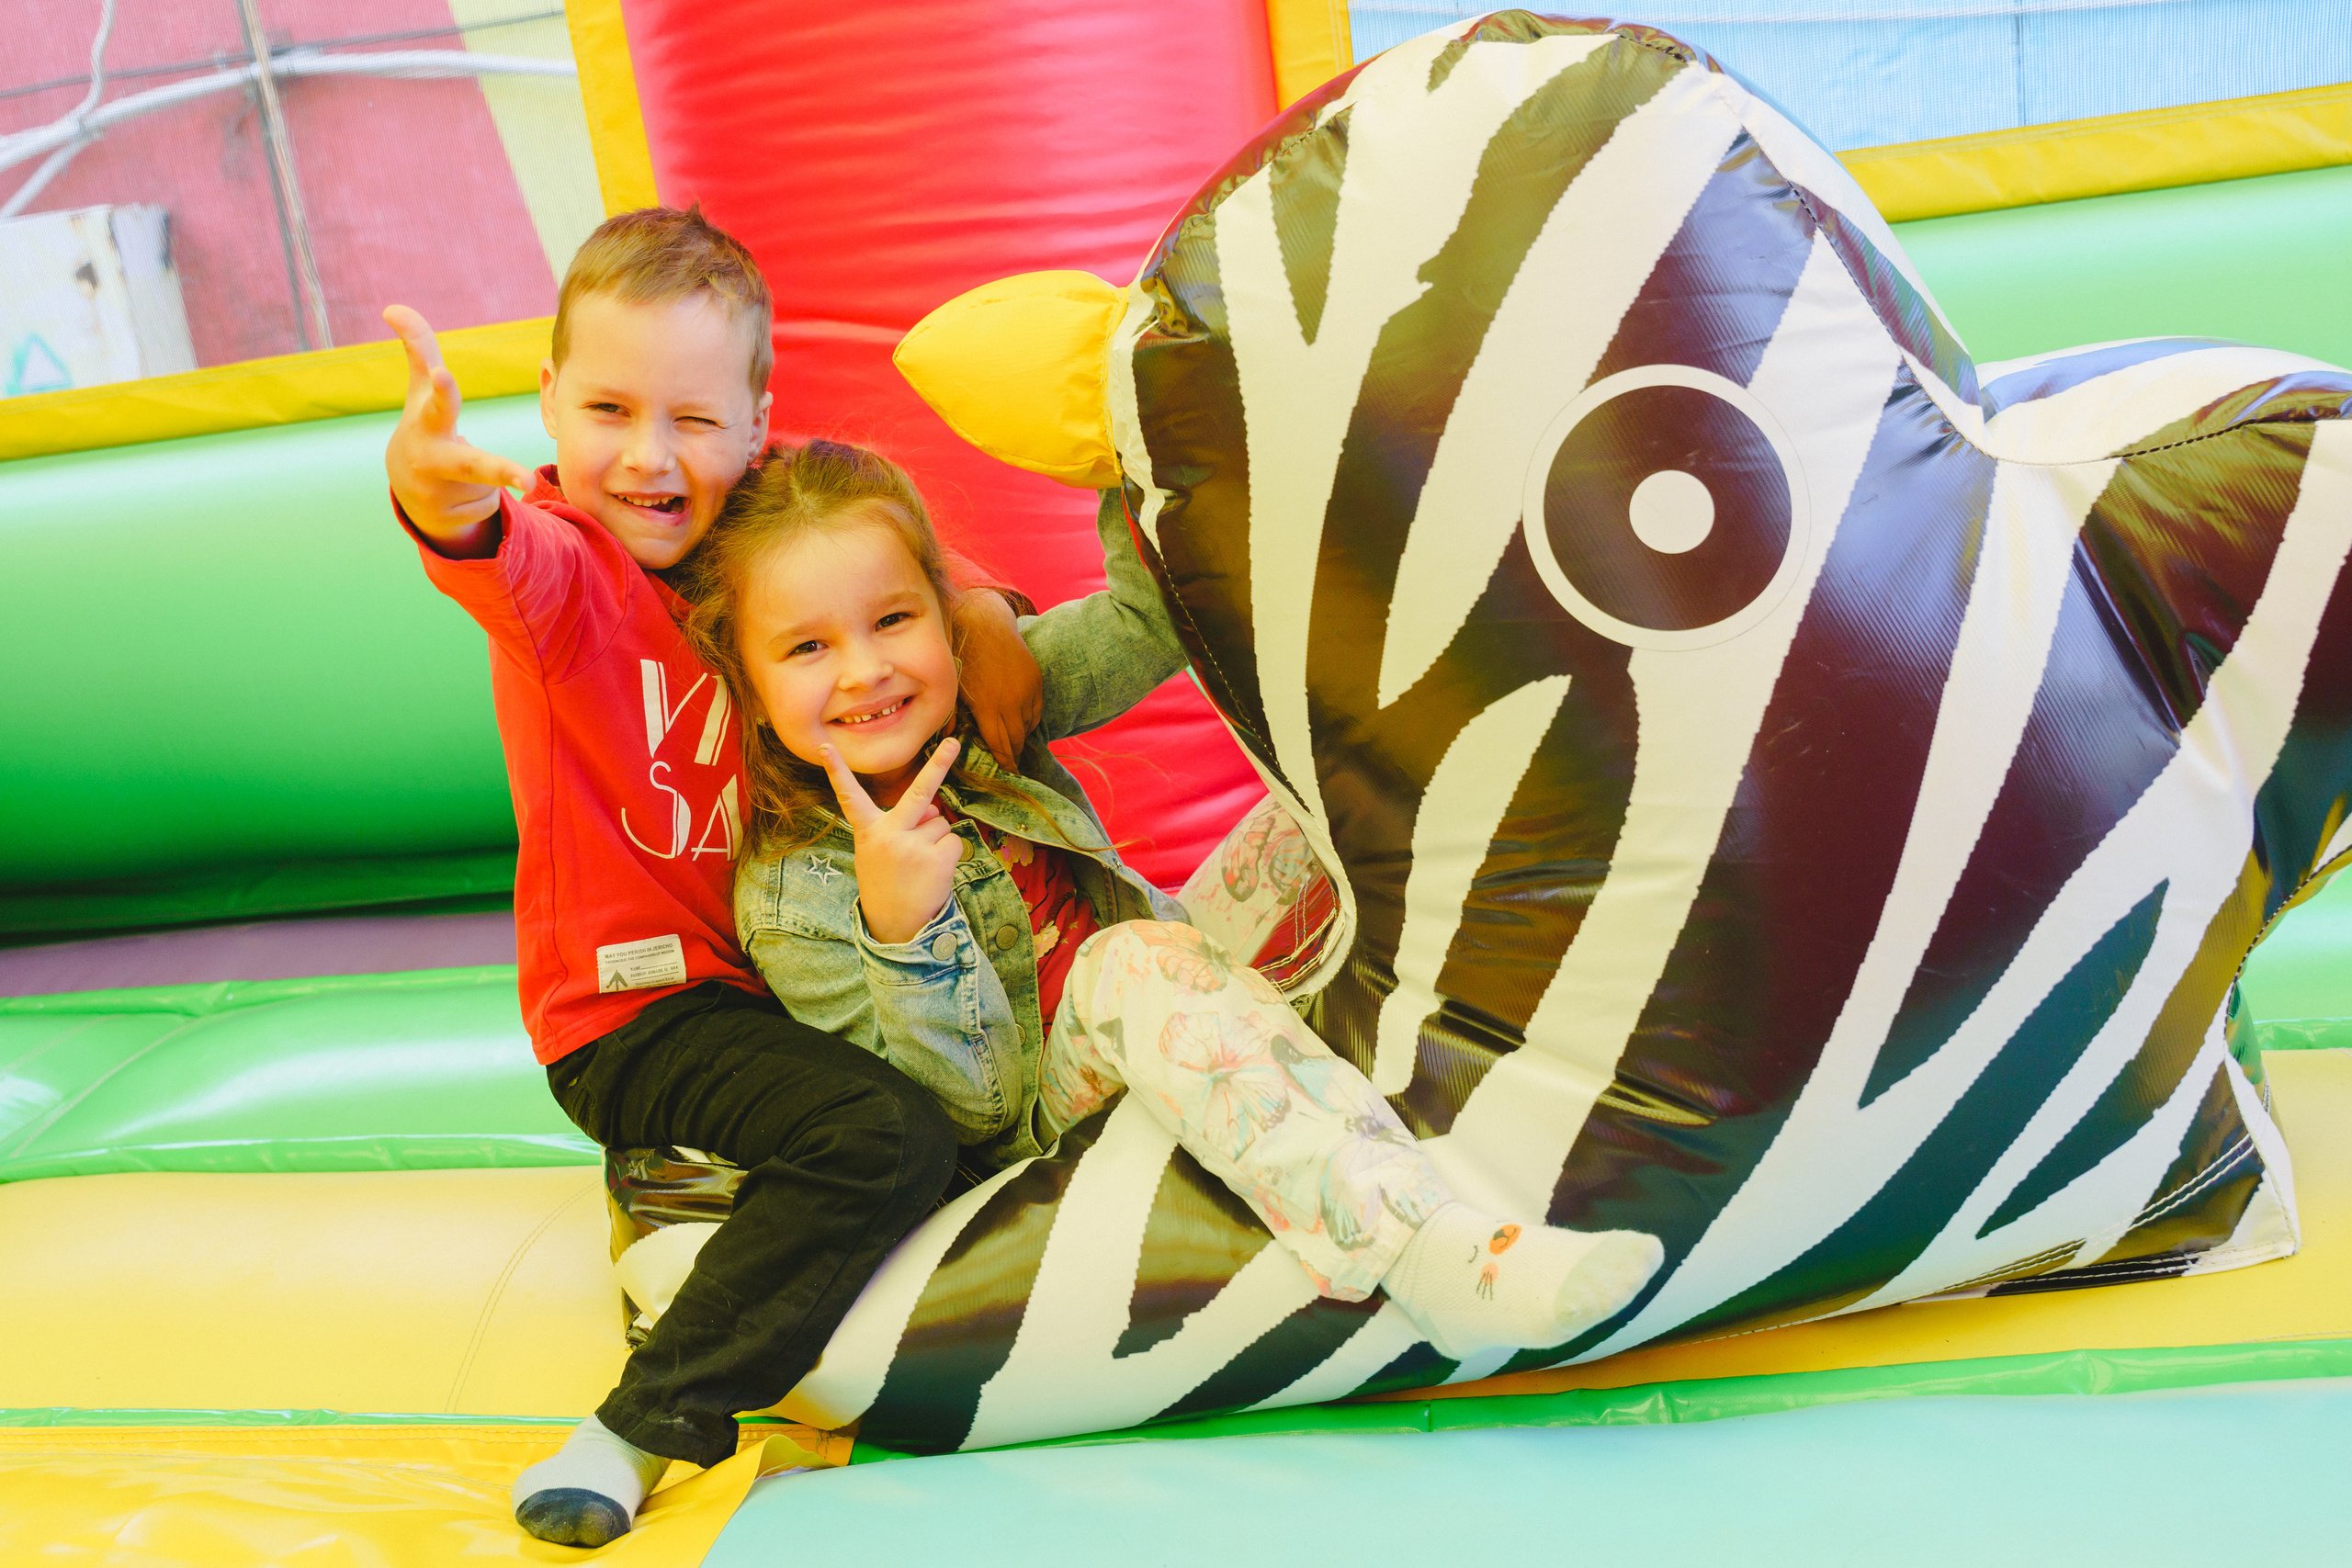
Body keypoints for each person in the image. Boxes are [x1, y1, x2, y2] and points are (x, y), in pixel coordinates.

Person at [684, 438, 1666, 1365]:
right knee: (1133, 961)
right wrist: (907, 932)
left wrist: (1118, 453)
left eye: (893, 620)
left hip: (1168, 989)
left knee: (1312, 808)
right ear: (749, 682)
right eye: (807, 648)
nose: (866, 670)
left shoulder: (978, 699)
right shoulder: (793, 892)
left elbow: (1152, 619)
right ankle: (1437, 1254)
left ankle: (1576, 1000)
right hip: (1035, 1112)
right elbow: (955, 1118)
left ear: (946, 614)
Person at [380, 207, 1043, 1548]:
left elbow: (917, 578)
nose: (647, 455)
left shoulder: (776, 535)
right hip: (641, 1010)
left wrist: (983, 615)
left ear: (757, 421)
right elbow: (482, 541)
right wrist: (436, 484)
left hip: (804, 970)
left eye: (692, 416)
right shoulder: (566, 568)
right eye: (609, 408)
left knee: (976, 1088)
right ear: (551, 404)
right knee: (886, 1138)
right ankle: (644, 1419)